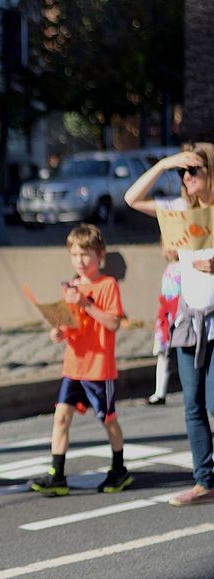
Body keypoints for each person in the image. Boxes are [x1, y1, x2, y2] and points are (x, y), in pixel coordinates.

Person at [125, 142, 214, 506]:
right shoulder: (179, 210)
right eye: (183, 172)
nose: (187, 177)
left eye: (194, 170)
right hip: (188, 319)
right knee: (192, 405)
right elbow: (132, 198)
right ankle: (204, 481)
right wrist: (164, 164)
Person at [29, 223, 131, 497]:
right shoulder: (71, 287)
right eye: (75, 255)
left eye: (86, 255)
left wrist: (86, 303)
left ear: (100, 256)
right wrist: (58, 331)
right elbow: (71, 327)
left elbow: (112, 323)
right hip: (74, 365)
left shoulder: (107, 285)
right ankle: (57, 473)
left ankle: (119, 468)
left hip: (99, 367)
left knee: (108, 419)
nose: (80, 261)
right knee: (61, 416)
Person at [147, 244, 181, 406]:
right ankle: (159, 391)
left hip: (180, 315)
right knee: (163, 354)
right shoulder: (169, 267)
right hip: (166, 315)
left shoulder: (184, 267)